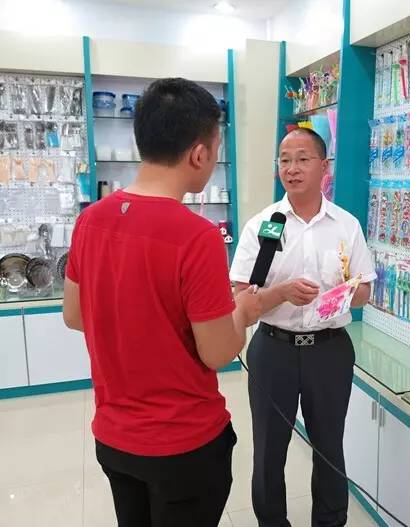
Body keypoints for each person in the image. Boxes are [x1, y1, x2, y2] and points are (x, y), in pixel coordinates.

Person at [62, 78, 262, 527]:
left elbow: (74, 315)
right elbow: (217, 352)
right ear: (199, 154)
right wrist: (245, 312)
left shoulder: (90, 221)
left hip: (114, 438)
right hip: (183, 445)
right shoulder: (197, 236)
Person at [230, 127, 376, 527]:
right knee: (269, 449)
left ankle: (330, 521)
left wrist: (342, 295)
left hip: (329, 350)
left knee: (329, 446)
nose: (291, 169)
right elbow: (242, 297)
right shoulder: (263, 224)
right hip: (272, 349)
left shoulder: (346, 225)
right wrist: (281, 293)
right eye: (284, 160)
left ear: (324, 167)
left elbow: (365, 290)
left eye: (302, 159)